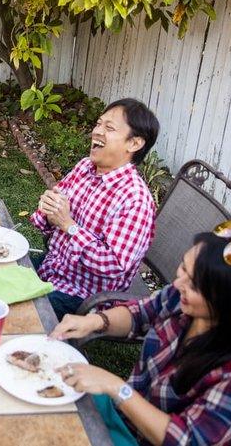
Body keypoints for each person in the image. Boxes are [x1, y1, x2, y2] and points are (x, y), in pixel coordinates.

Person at [50, 226, 231, 445]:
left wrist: (117, 387)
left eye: (194, 285)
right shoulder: (183, 298)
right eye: (184, 267)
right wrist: (94, 321)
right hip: (126, 419)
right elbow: (141, 314)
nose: (179, 283)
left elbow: (186, 439)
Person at [30, 98, 160, 320]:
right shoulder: (85, 167)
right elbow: (48, 218)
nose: (97, 132)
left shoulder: (134, 200)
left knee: (15, 312)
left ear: (134, 143)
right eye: (98, 124)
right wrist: (48, 211)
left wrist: (68, 226)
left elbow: (113, 265)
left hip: (83, 295)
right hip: (53, 267)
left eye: (109, 128)